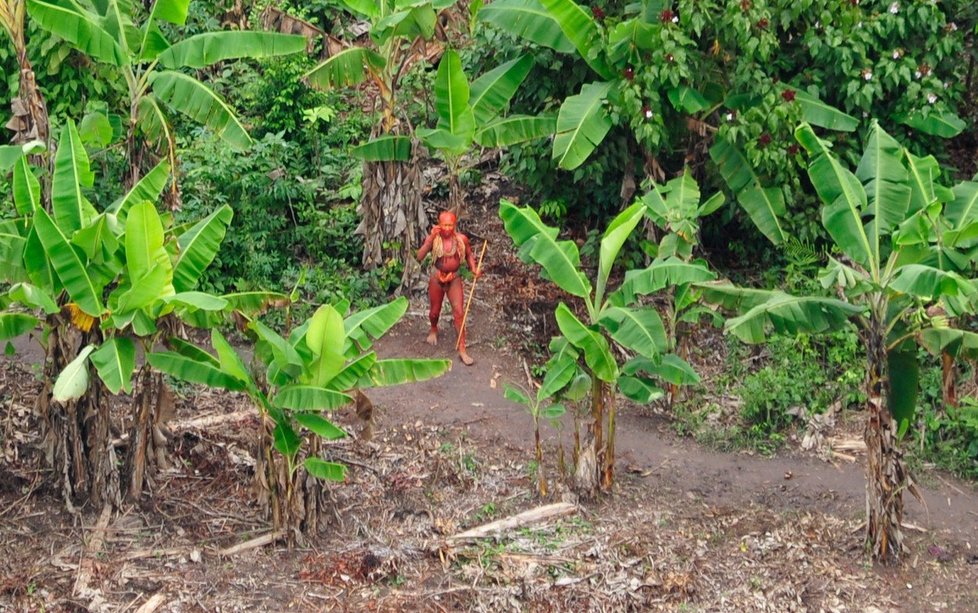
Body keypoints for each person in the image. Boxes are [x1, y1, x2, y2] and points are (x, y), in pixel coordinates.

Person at [416, 211, 481, 365]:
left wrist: (474, 268)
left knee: (459, 312)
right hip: (437, 278)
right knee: (434, 312)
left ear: (454, 225)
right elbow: (419, 256)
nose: (447, 228)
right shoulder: (434, 240)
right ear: (439, 225)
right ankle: (433, 329)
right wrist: (430, 238)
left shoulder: (461, 240)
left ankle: (462, 348)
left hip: (454, 278)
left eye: (450, 225)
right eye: (444, 225)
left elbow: (469, 255)